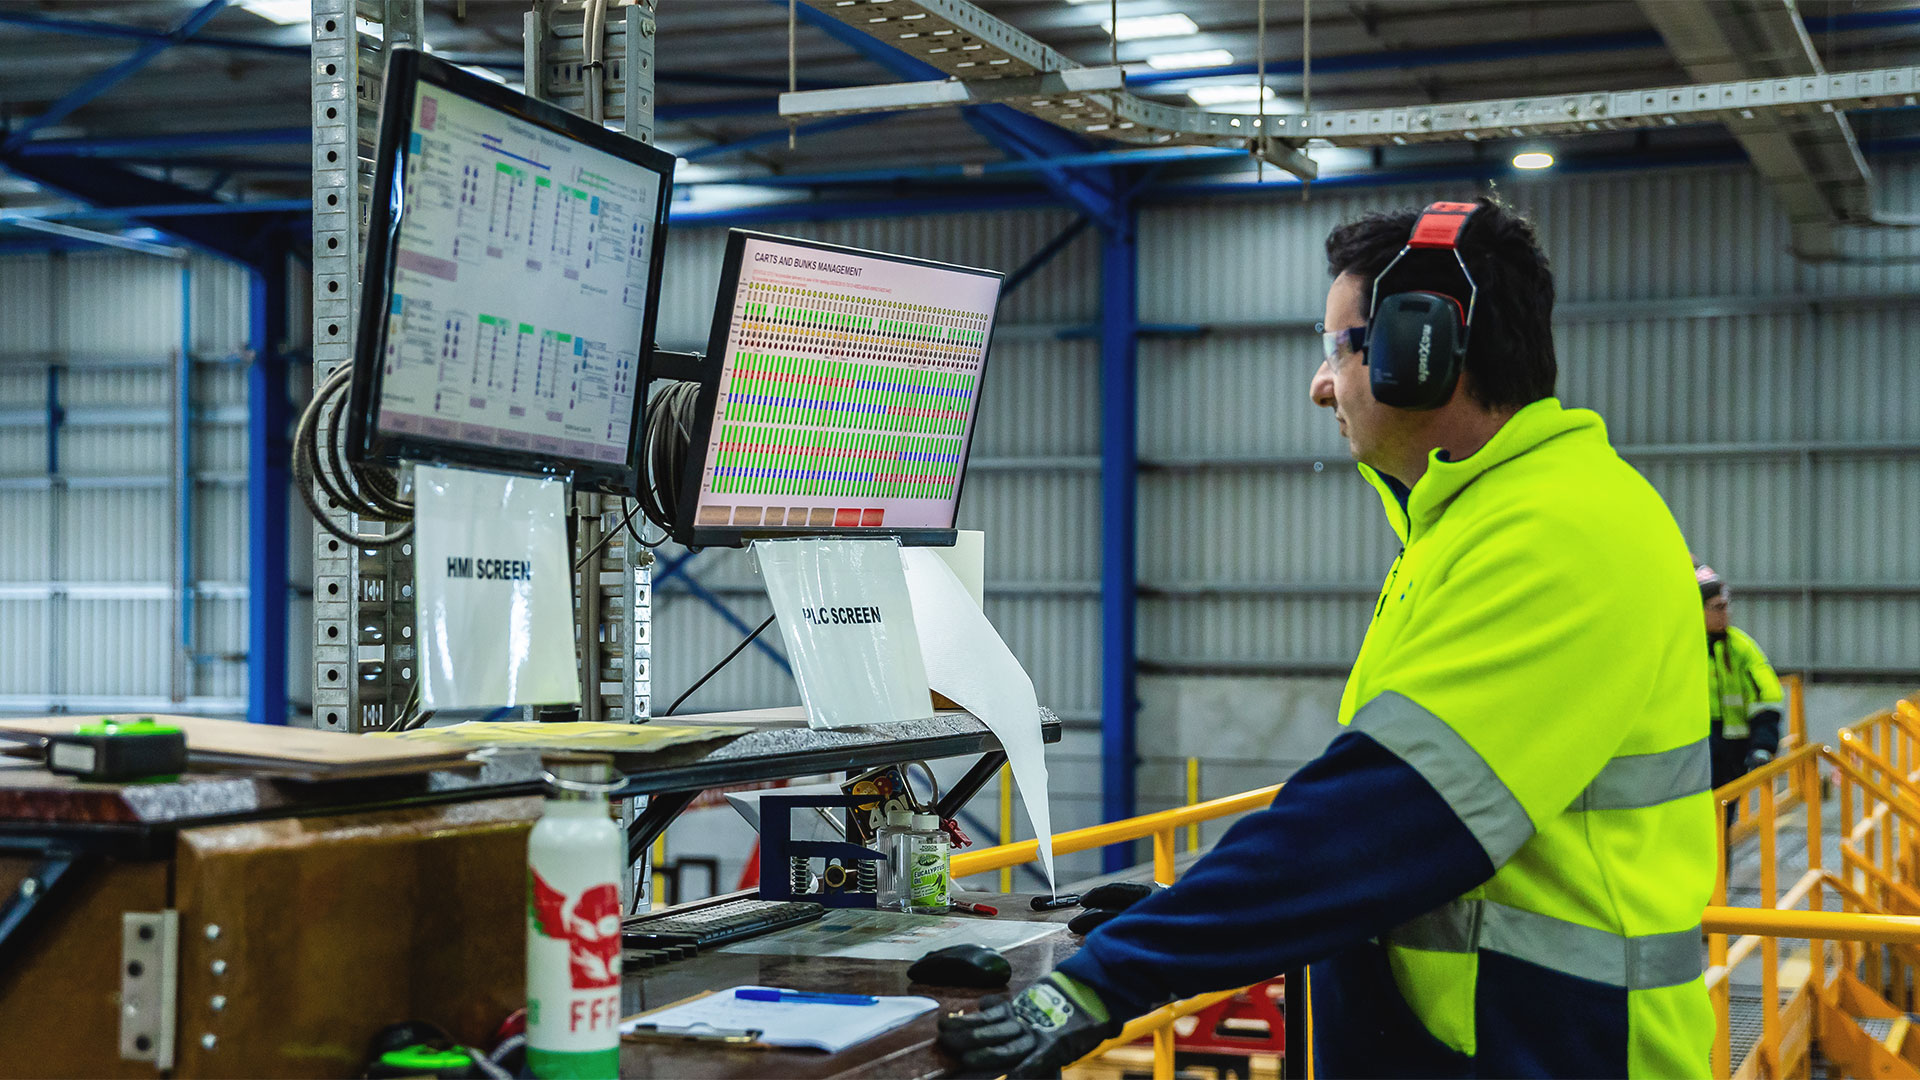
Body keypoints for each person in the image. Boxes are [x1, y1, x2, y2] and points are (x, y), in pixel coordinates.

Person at [937, 199, 1716, 1078]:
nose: (1320, 384)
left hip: (1551, 1048)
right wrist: (1184, 905)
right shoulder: (1466, 524)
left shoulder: (1558, 531)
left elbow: (1383, 817)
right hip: (1481, 1038)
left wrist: (1099, 982)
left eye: (1339, 347)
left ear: (1420, 351)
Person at [1697, 562, 1785, 790]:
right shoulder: (1685, 649)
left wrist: (1763, 746)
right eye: (1717, 607)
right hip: (1695, 752)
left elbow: (1767, 698)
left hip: (1731, 751)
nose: (1724, 613)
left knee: (1724, 814)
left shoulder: (1741, 648)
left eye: (1726, 606)